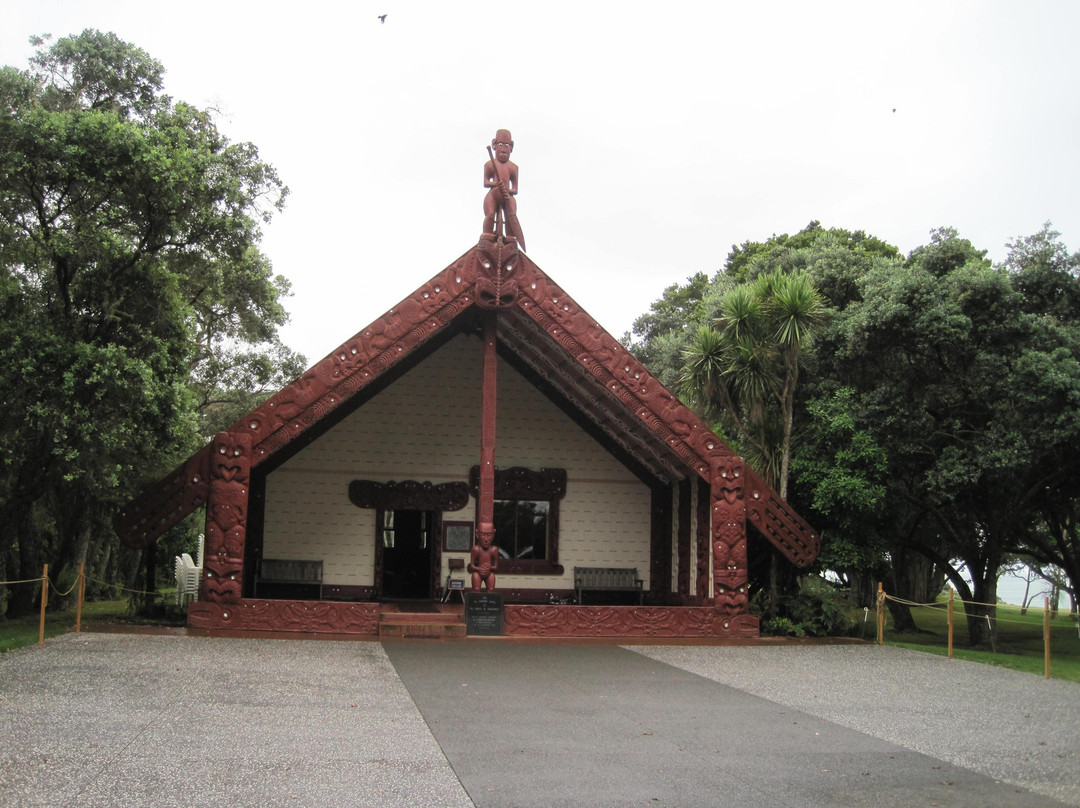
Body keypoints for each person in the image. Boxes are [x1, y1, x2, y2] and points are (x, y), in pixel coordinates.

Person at [482, 129, 522, 245]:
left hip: (507, 196)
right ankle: (487, 235)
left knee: (511, 216)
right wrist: (495, 184)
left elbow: (515, 189)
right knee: (490, 214)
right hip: (493, 194)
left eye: (507, 145)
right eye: (500, 144)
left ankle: (510, 237)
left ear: (511, 147)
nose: (503, 149)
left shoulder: (513, 167)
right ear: (494, 145)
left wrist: (508, 191)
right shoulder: (490, 164)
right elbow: (485, 182)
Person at [468, 525, 499, 592]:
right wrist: (479, 569)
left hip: (489, 573)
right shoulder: (476, 549)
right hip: (478, 573)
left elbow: (496, 567)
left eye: (489, 535)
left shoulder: (494, 550)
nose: (486, 539)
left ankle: (490, 601)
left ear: (493, 535)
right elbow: (471, 565)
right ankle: (476, 601)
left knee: (491, 589)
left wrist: (490, 567)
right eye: (483, 535)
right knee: (476, 589)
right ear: (477, 534)